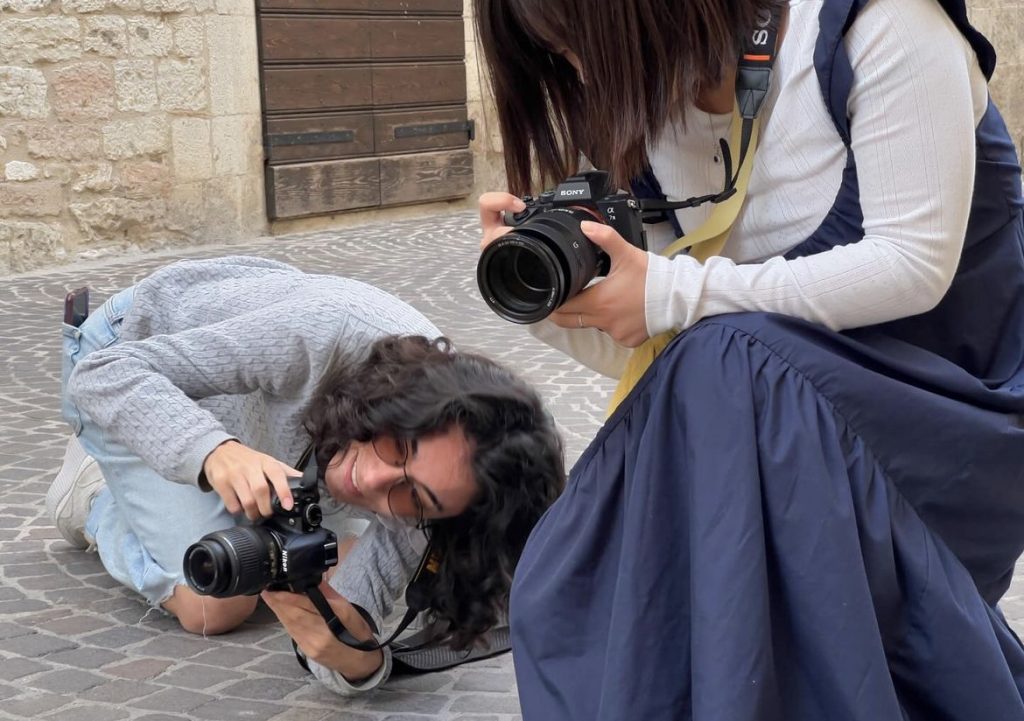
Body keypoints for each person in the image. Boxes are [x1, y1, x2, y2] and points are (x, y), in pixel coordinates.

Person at [474, 0, 1024, 719]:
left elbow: (913, 262)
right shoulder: (659, 120)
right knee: (560, 581)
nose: (580, 72)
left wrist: (670, 290)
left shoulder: (879, 24)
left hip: (955, 416)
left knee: (723, 358)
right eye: (559, 59)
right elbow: (670, 357)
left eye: (579, 43)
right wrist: (562, 304)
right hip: (788, 439)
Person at [47, 255, 564, 696]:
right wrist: (214, 451)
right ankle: (93, 492)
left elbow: (341, 645)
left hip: (255, 417)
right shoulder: (330, 333)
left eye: (414, 496)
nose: (372, 481)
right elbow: (106, 375)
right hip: (130, 349)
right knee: (214, 606)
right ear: (405, 403)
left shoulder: (441, 501)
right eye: (398, 445)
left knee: (310, 560)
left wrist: (357, 659)